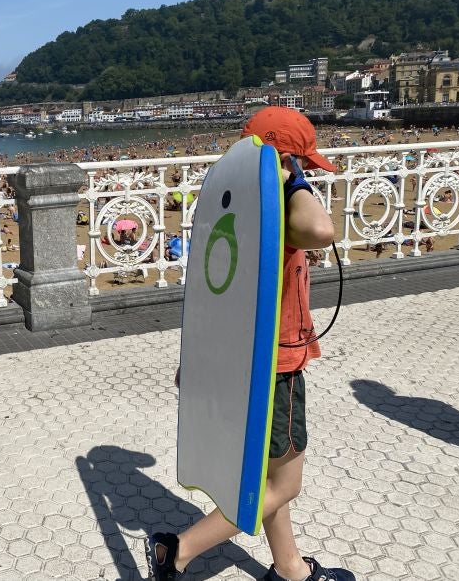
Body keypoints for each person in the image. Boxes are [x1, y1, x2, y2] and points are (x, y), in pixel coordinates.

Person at [150, 107, 354, 581]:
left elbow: (211, 292)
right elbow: (322, 231)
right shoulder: (278, 207)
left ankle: (291, 570)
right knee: (284, 484)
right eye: (303, 162)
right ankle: (177, 550)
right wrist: (291, 178)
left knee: (265, 476)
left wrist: (195, 359)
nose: (307, 174)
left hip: (236, 358)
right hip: (276, 364)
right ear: (286, 159)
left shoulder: (230, 202)